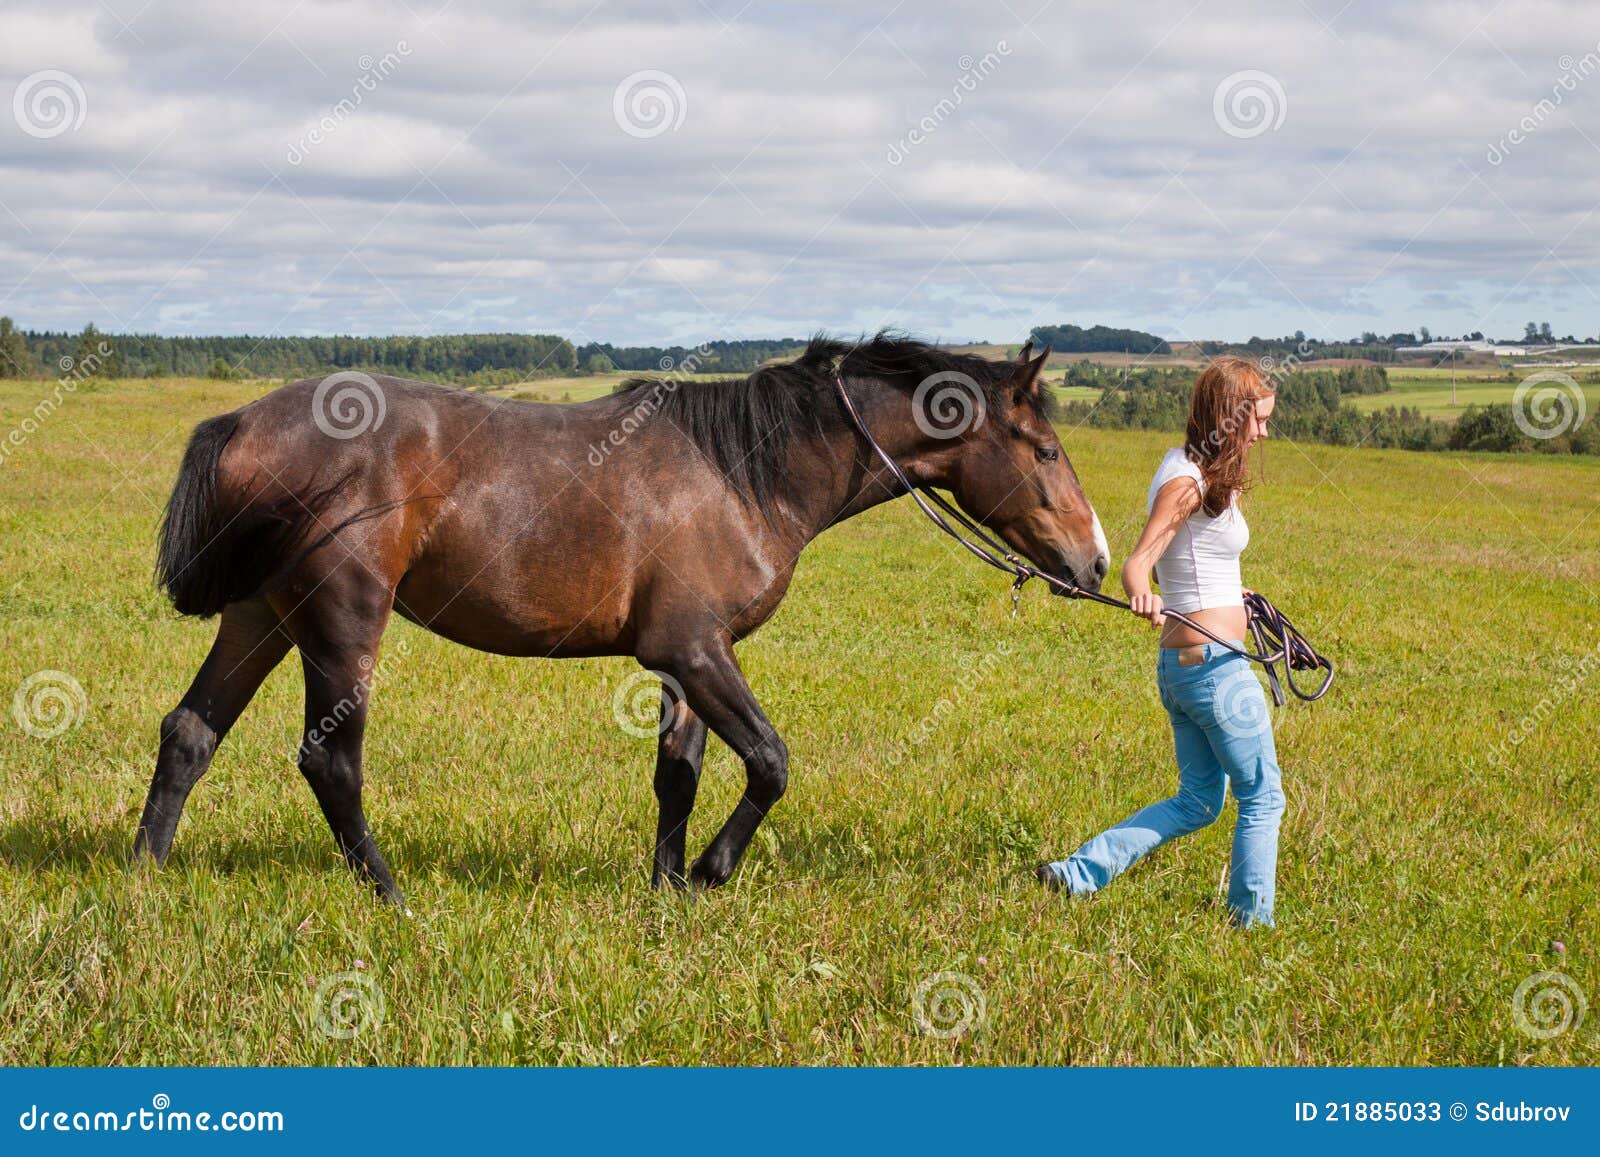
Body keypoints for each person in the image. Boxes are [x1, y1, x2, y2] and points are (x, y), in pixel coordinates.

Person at [1038, 356, 1284, 928]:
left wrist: (1234, 593)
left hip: (1186, 671)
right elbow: (1140, 561)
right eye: (1258, 420)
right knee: (1263, 797)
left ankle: (1077, 873)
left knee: (1199, 801)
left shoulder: (1197, 471)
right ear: (1232, 414)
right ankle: (1252, 924)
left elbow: (1195, 560)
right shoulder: (1185, 482)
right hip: (1215, 671)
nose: (1264, 432)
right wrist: (1142, 590)